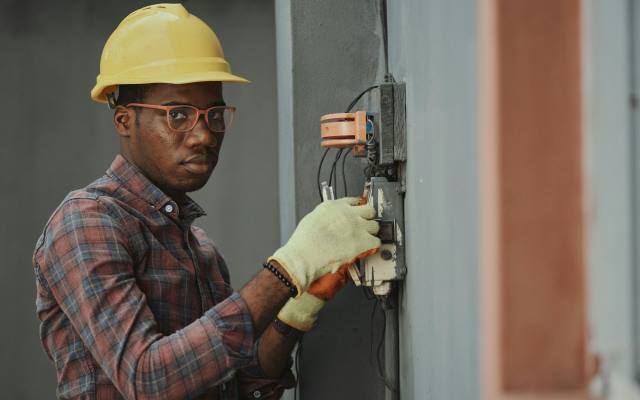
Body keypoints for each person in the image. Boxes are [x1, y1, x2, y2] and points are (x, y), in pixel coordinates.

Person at [32, 4, 380, 400]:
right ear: (124, 121)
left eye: (214, 115)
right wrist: (289, 269)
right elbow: (149, 380)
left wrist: (298, 308)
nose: (204, 135)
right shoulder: (87, 223)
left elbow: (243, 387)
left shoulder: (202, 252)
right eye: (177, 115)